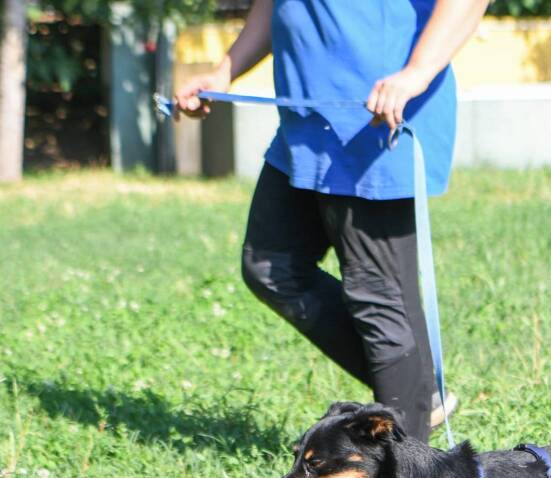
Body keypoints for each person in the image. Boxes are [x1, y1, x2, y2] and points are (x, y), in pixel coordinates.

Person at [176, 0, 488, 442]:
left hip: (377, 123)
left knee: (378, 298)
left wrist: (416, 72)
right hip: (307, 123)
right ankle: (420, 400)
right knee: (271, 265)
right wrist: (227, 68)